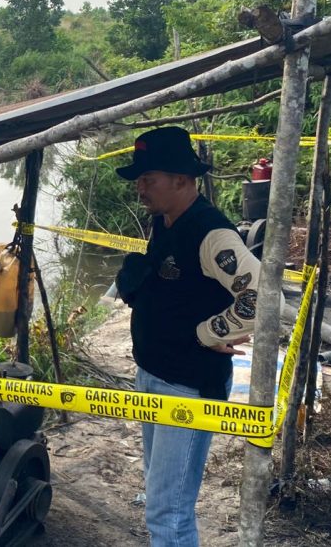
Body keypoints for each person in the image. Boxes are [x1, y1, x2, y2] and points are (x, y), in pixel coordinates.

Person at [114, 126, 261, 546]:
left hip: (186, 385)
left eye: (149, 179)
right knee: (161, 499)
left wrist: (207, 332)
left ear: (182, 179)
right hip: (154, 374)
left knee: (168, 511)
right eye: (139, 180)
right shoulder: (165, 221)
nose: (141, 188)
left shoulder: (211, 234)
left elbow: (263, 299)